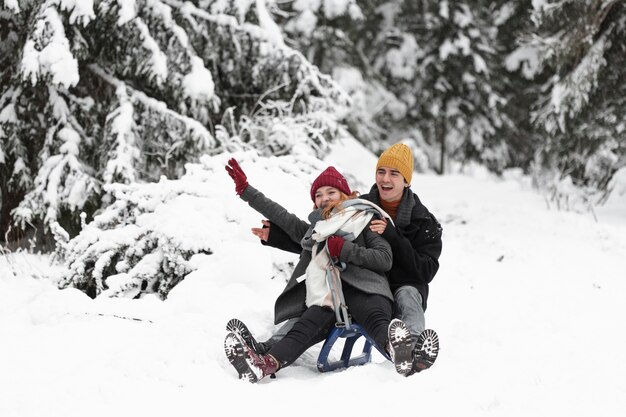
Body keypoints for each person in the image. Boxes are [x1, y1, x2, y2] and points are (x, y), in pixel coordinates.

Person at [232, 143, 443, 375]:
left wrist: (387, 236)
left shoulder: (382, 216)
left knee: (406, 294)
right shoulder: (351, 210)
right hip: (339, 291)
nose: (386, 179)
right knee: (312, 317)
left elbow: (416, 268)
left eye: (394, 173)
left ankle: (410, 350)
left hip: (383, 287)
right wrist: (272, 230)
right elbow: (311, 238)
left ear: (406, 180)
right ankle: (265, 356)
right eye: (381, 172)